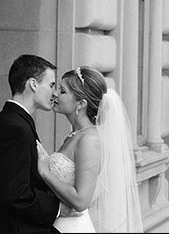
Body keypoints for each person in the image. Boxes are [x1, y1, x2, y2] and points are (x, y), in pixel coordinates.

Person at [36, 66, 144, 233]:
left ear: (81, 104)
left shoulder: (89, 139)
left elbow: (81, 200)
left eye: (62, 91)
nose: (55, 94)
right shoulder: (75, 134)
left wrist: (45, 172)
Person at [0, 54, 68, 233]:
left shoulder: (16, 122)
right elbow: (15, 194)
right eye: (51, 85)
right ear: (33, 84)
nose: (55, 93)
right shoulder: (14, 128)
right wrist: (58, 208)